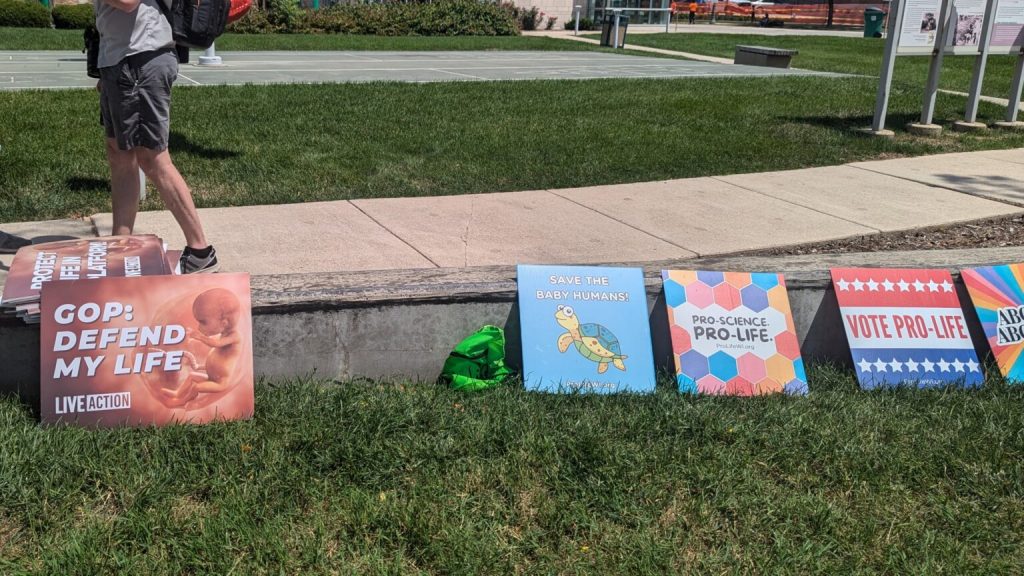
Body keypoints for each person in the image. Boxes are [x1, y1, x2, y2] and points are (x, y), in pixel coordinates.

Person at [94, 0, 219, 274]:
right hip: (119, 58)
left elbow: (127, 3)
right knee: (120, 155)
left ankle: (201, 251)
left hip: (140, 58)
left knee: (152, 158)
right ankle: (120, 244)